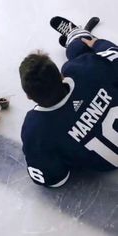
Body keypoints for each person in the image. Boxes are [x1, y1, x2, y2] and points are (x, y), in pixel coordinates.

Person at [19, 16, 118, 187]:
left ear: (28, 95)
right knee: (82, 55)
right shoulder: (83, 69)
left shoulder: (35, 130)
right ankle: (77, 36)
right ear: (61, 76)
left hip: (105, 165)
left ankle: (75, 35)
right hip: (89, 71)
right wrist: (97, 43)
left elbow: (54, 178)